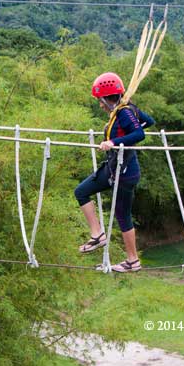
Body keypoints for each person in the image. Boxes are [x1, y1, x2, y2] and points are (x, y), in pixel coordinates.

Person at [74, 72, 155, 272]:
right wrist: (124, 133)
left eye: (100, 101)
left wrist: (114, 142)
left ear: (107, 99)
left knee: (122, 215)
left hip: (124, 171)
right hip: (116, 169)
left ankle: (132, 260)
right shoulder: (126, 109)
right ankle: (98, 236)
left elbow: (140, 133)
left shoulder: (124, 112)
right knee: (82, 192)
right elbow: (148, 121)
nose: (100, 105)